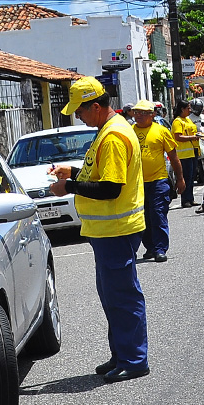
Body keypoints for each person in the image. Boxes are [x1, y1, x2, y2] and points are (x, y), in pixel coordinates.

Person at [48, 76, 149, 384]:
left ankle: (134, 359)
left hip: (116, 230)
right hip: (108, 232)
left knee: (121, 296)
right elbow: (100, 174)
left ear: (95, 106)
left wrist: (69, 185)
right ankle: (122, 354)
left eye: (80, 110)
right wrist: (75, 172)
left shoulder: (114, 136)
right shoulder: (107, 131)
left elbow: (110, 188)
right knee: (112, 296)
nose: (77, 116)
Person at [130, 99, 184, 262]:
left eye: (143, 113)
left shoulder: (161, 131)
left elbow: (174, 158)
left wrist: (180, 179)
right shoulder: (129, 131)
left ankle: (160, 248)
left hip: (158, 180)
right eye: (136, 112)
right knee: (142, 216)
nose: (138, 116)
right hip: (137, 183)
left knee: (158, 214)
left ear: (153, 114)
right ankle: (150, 247)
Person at [171, 100, 201, 208]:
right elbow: (177, 137)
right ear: (182, 109)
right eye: (188, 108)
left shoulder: (187, 120)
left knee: (192, 177)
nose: (190, 110)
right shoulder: (177, 121)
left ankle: (190, 198)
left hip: (193, 152)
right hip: (184, 154)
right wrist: (193, 137)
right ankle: (185, 200)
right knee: (186, 177)